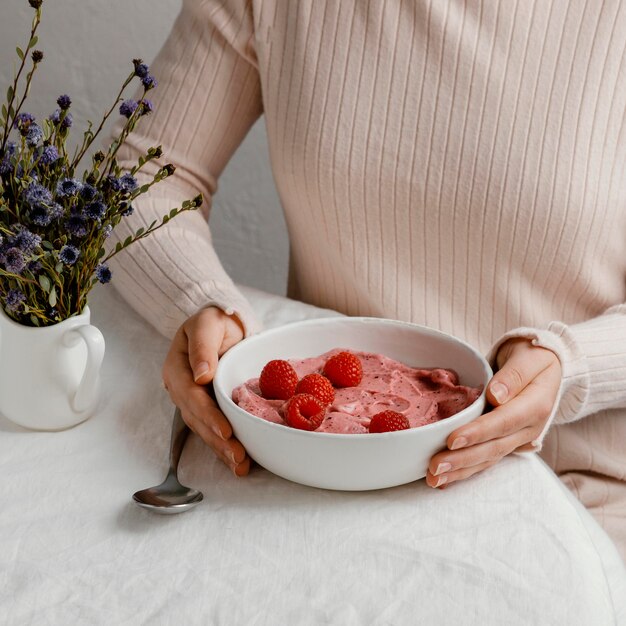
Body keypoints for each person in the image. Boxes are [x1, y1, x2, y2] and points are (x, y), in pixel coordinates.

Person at [110, 0, 626, 560]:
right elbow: (143, 176)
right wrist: (197, 302)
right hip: (313, 484)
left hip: (573, 493)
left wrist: (572, 365)